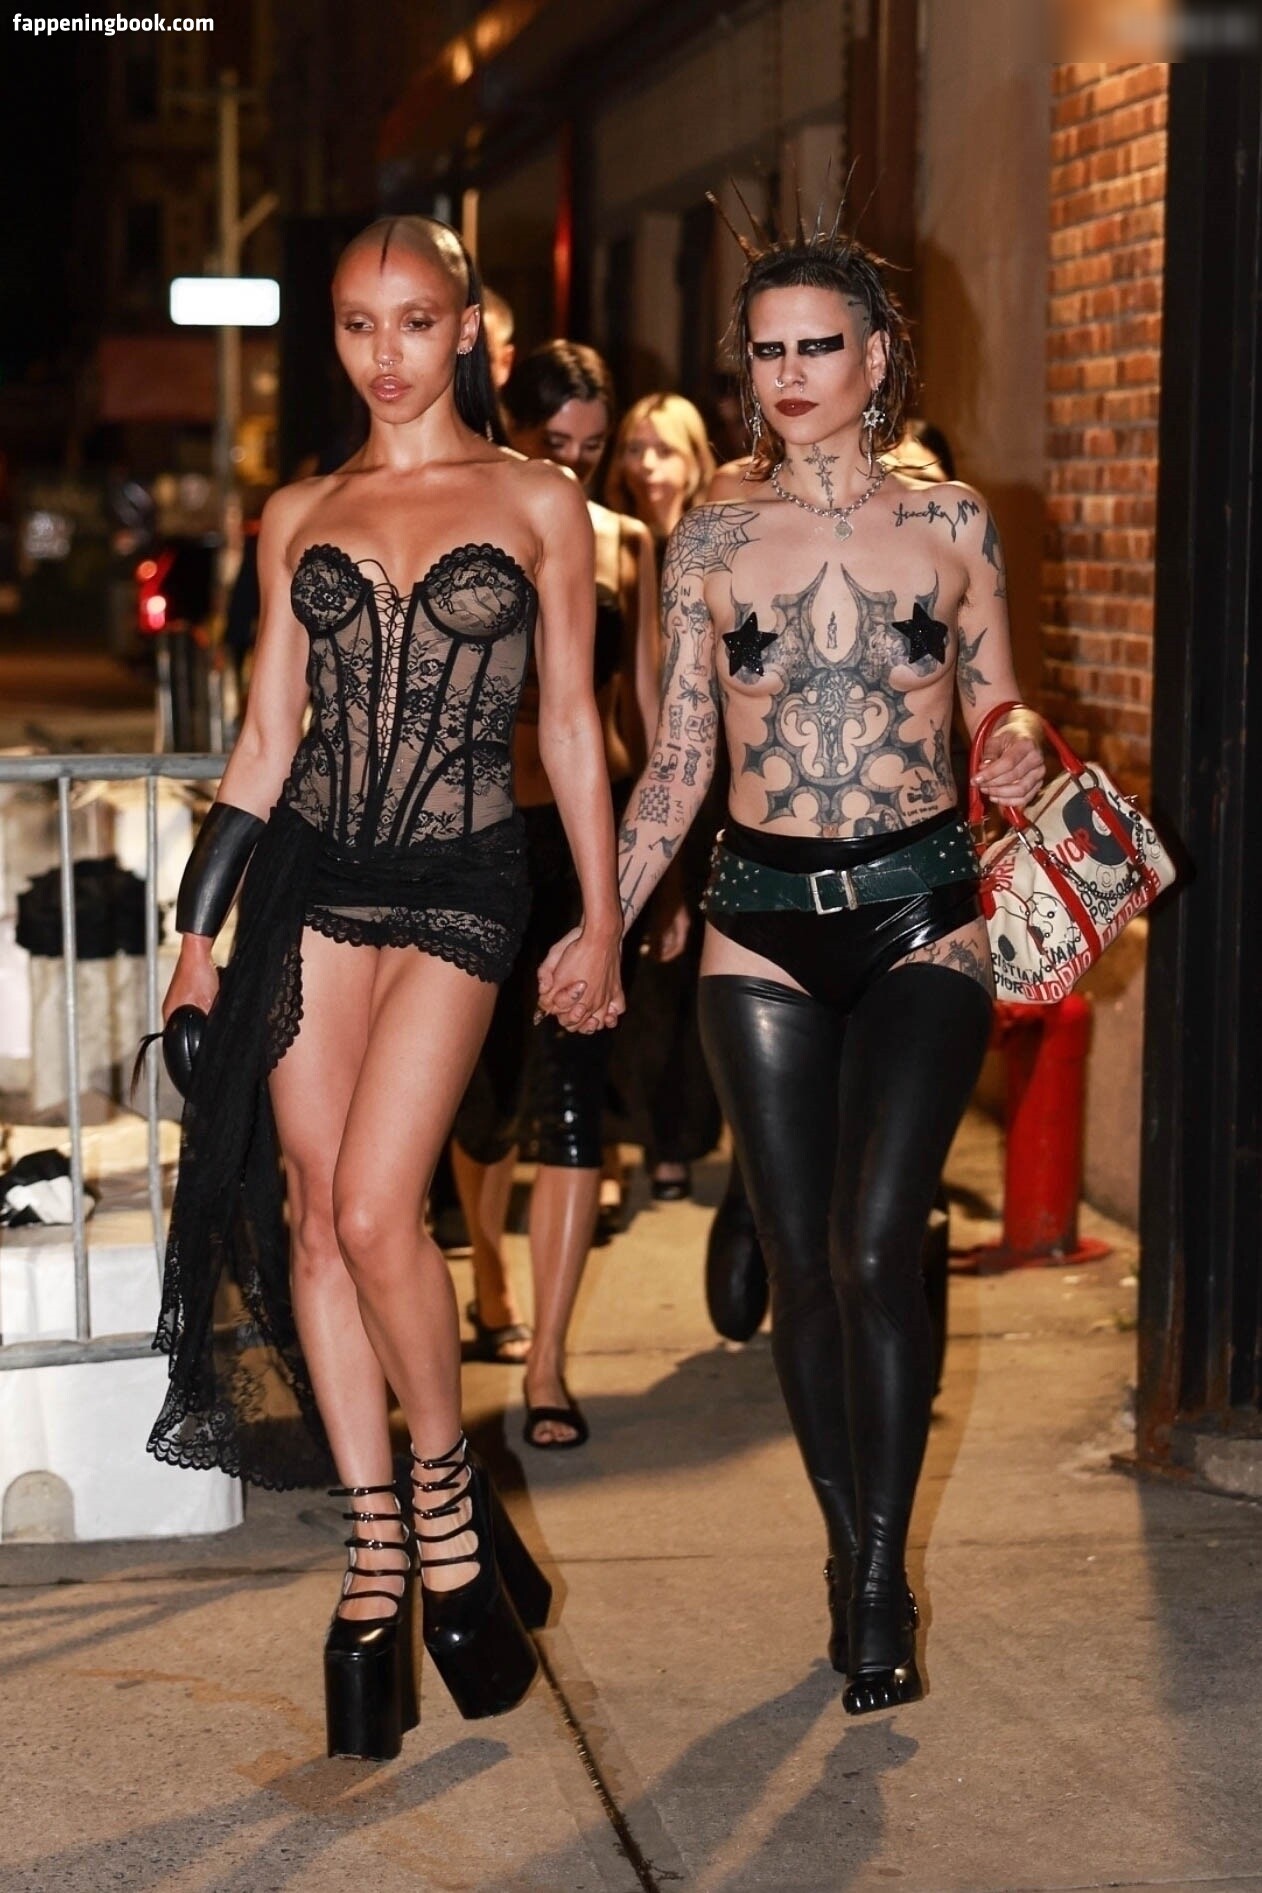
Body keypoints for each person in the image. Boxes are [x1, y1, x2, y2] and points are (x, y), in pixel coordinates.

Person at [542, 216, 1043, 1716]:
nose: (790, 373)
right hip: (756, 924)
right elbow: (679, 759)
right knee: (806, 1257)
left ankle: (880, 1575)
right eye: (766, 351)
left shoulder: (952, 522)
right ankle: (847, 1543)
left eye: (819, 345)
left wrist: (1014, 742)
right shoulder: (708, 535)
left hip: (919, 914)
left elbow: (998, 700)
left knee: (877, 1241)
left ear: (876, 359)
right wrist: (604, 917)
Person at [150, 215, 623, 1760]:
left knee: (373, 1211)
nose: (385, 353)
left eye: (414, 320)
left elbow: (568, 722)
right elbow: (264, 741)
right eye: (358, 324)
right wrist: (198, 932)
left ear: (465, 325)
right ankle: (375, 1554)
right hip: (312, 880)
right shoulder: (300, 513)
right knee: (312, 1215)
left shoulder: (539, 502)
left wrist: (602, 915)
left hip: (464, 883)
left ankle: (444, 1503)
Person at [452, 340, 661, 1447]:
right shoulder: (473, 525)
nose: (574, 466)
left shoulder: (627, 541)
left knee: (573, 1094)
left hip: (591, 838)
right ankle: (487, 1275)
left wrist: (655, 871)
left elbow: (644, 709)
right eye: (554, 444)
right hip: (482, 839)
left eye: (592, 446)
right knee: (479, 1094)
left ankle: (547, 1364)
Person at [606, 393, 723, 1201]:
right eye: (635, 447)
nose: (648, 464)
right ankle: (617, 1140)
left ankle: (674, 1136)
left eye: (665, 449)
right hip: (620, 769)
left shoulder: (714, 541)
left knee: (690, 960)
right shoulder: (607, 539)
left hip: (708, 775)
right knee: (629, 957)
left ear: (694, 459)